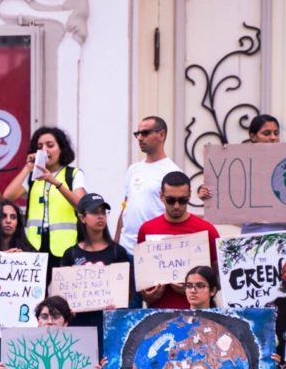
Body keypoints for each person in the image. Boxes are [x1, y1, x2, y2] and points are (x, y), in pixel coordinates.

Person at [2, 126, 87, 269]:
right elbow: (7, 197)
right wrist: (28, 167)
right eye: (40, 147)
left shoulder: (73, 174)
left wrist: (56, 183)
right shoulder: (33, 176)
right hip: (34, 245)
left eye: (50, 145)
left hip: (65, 247)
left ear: (61, 149)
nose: (44, 150)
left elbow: (82, 206)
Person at [137, 171, 220, 309]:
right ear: (161, 196)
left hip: (197, 313)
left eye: (182, 200)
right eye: (171, 200)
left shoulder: (207, 230)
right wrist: (146, 296)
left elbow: (219, 275)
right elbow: (142, 277)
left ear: (189, 196)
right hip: (158, 311)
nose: (176, 206)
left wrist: (193, 287)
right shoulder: (147, 229)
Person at [60, 193, 133, 329]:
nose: (100, 216)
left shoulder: (118, 252)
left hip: (110, 326)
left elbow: (128, 291)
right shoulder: (70, 254)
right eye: (94, 212)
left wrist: (118, 303)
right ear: (82, 217)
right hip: (79, 326)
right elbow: (61, 294)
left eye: (103, 212)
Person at [116, 116, 181, 258]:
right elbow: (125, 207)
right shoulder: (133, 169)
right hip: (126, 248)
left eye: (145, 133)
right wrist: (115, 245)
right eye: (137, 134)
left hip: (154, 251)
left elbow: (177, 212)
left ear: (161, 135)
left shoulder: (172, 171)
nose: (140, 138)